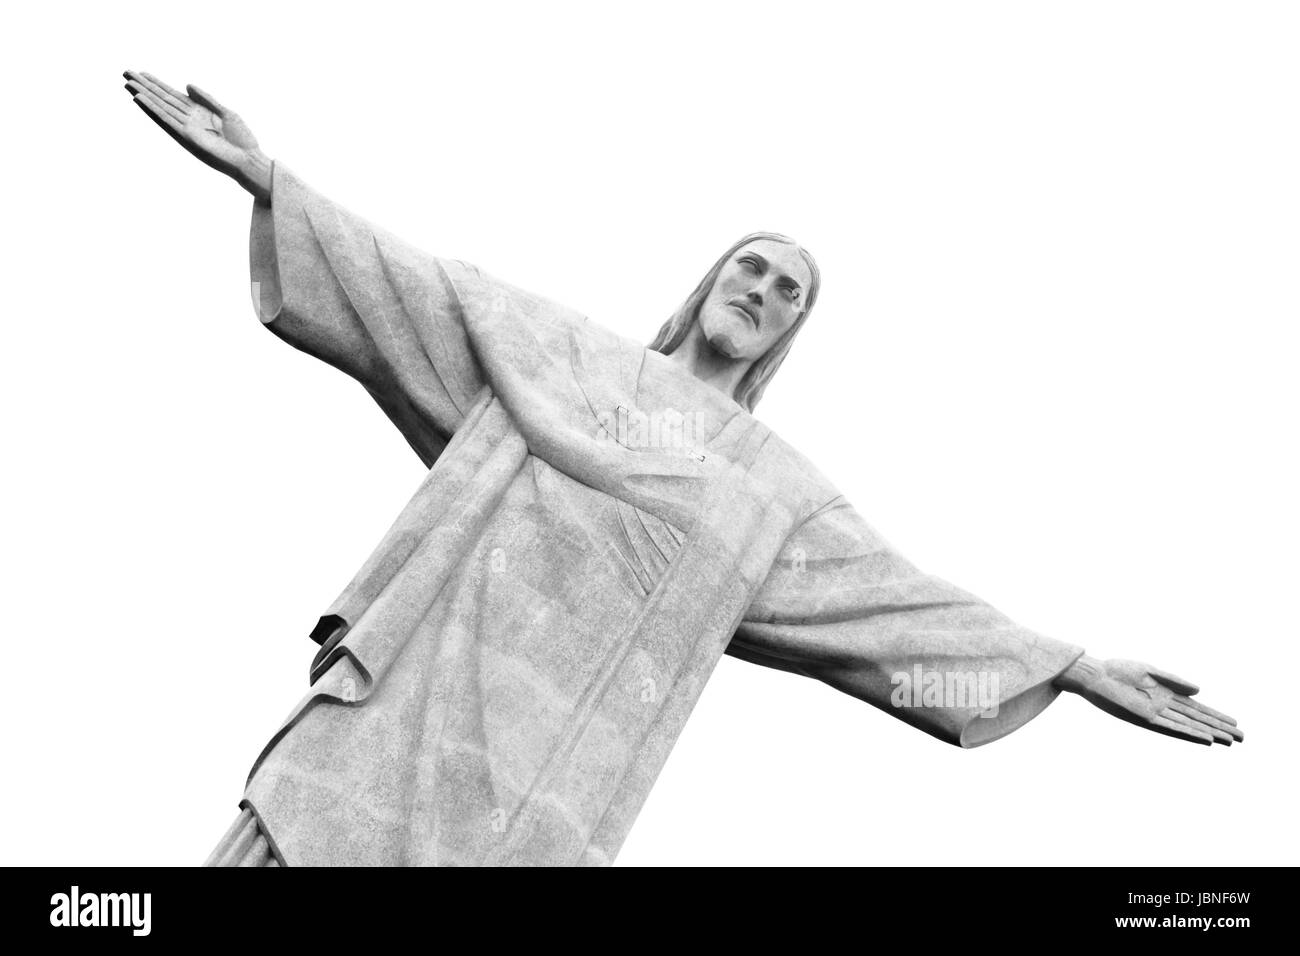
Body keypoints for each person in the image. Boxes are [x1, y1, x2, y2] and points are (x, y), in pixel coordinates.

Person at [124, 71, 1244, 867]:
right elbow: (415, 288)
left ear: (789, 333)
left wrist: (1069, 666)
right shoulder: (562, 355)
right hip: (401, 707)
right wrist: (269, 178)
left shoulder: (771, 491)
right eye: (749, 266)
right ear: (710, 276)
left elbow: (900, 614)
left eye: (787, 290)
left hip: (541, 785)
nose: (759, 288)